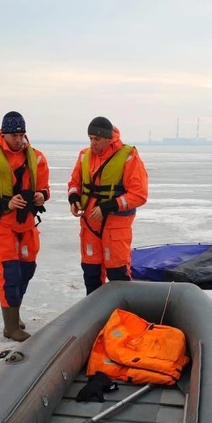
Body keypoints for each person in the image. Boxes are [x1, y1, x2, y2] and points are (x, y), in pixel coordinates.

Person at [0, 111, 50, 341]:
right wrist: (5, 203)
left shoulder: (37, 157)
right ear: (4, 133)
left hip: (27, 224)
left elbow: (44, 187)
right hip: (2, 224)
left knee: (27, 270)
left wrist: (42, 196)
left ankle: (15, 314)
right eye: (14, 134)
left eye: (21, 134)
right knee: (10, 273)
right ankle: (10, 327)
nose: (18, 139)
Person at [68, 116, 148, 295]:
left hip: (116, 228)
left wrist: (109, 206)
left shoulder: (128, 156)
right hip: (89, 226)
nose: (92, 143)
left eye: (97, 139)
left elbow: (139, 194)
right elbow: (74, 182)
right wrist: (73, 198)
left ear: (108, 138)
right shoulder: (84, 156)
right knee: (90, 275)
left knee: (118, 276)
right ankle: (95, 318)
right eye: (90, 139)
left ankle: (122, 317)